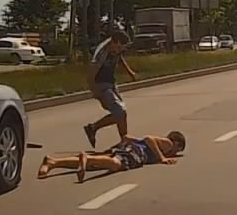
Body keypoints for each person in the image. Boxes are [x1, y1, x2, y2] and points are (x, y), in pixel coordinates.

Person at [37, 132, 187, 183]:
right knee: (116, 164)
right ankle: (87, 158)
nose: (174, 153)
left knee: (99, 163)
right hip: (135, 153)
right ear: (177, 143)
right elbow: (149, 139)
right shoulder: (167, 144)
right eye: (177, 149)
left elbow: (129, 138)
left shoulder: (163, 148)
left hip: (129, 149)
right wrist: (161, 158)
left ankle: (53, 162)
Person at [83, 30, 138, 148]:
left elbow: (120, 58)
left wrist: (130, 72)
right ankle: (124, 142)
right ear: (114, 42)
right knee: (120, 111)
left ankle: (93, 128)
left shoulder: (117, 46)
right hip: (100, 84)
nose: (119, 50)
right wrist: (96, 93)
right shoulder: (101, 53)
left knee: (121, 114)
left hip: (111, 82)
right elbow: (91, 75)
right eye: (118, 47)